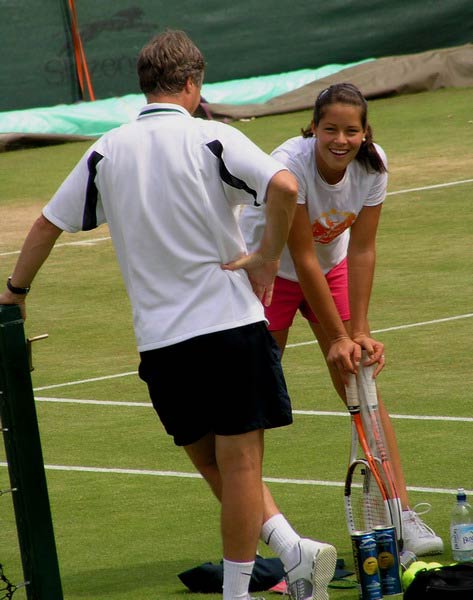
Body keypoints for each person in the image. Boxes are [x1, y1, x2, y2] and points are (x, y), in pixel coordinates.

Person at [0, 30, 344, 600]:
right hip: (231, 329)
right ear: (191, 84)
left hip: (162, 345)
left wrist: (15, 292)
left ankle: (290, 550)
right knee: (236, 468)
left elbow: (45, 226)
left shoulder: (104, 149)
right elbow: (285, 186)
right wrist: (265, 258)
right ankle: (253, 581)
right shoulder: (213, 136)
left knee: (213, 463)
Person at [239, 83, 444, 557]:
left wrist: (359, 332)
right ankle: (265, 526)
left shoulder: (374, 165)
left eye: (352, 130)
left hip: (330, 271)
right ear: (313, 128)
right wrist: (336, 336)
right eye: (330, 128)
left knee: (364, 388)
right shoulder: (289, 163)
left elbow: (364, 248)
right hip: (269, 276)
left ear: (365, 132)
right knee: (252, 399)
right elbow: (300, 253)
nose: (341, 139)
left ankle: (402, 514)